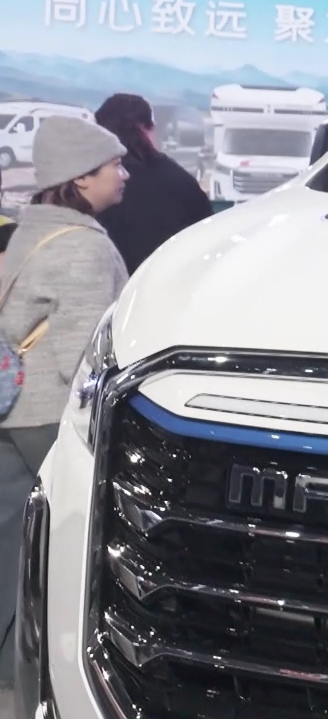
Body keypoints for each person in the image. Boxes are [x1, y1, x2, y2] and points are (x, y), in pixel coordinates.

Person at [0, 115, 130, 687]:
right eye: (114, 166)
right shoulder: (84, 248)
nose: (124, 175)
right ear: (81, 178)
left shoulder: (31, 230)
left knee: (10, 546)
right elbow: (80, 359)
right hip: (51, 416)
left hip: (13, 411)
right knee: (66, 551)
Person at [93, 93, 213, 274]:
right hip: (171, 281)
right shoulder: (179, 180)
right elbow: (207, 236)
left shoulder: (89, 182)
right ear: (147, 129)